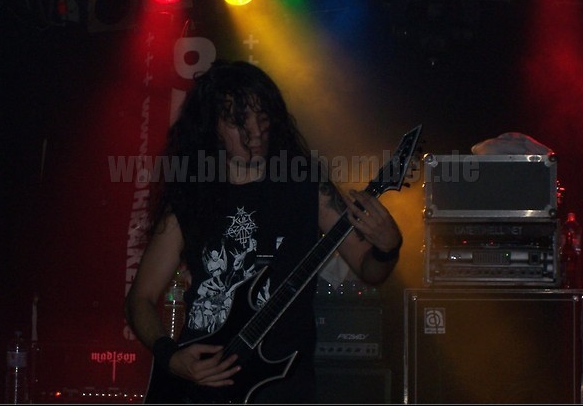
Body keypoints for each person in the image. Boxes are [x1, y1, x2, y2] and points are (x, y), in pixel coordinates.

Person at [125, 60, 403, 404]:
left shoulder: (306, 187)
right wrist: (170, 357)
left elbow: (369, 269)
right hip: (198, 385)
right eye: (238, 121)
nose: (255, 133)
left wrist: (388, 248)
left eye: (262, 118)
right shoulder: (192, 198)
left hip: (280, 382)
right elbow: (140, 299)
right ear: (212, 126)